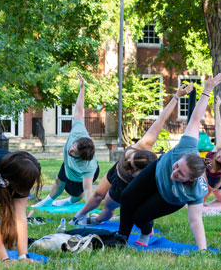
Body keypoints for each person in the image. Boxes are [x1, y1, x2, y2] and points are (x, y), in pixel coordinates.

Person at [114, 74, 221, 249]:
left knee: (139, 217)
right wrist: (207, 90)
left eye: (180, 174)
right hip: (156, 171)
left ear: (190, 180)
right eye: (177, 166)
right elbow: (195, 119)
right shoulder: (186, 146)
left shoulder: (195, 191)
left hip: (169, 198)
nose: (175, 172)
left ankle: (146, 229)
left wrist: (203, 250)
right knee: (127, 197)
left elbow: (196, 222)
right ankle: (121, 239)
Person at [72, 83, 195, 226]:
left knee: (108, 208)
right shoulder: (143, 144)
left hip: (125, 186)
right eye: (129, 159)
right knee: (98, 194)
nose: (129, 161)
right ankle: (79, 215)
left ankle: (97, 220)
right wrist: (177, 96)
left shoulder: (151, 173)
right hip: (115, 172)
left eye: (133, 167)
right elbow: (161, 120)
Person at [34, 75, 98, 208]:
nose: (71, 149)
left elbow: (88, 191)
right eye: (73, 146)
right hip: (68, 165)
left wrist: (88, 212)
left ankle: (69, 201)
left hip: (78, 176)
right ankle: (46, 202)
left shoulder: (88, 167)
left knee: (76, 195)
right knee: (58, 180)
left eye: (74, 151)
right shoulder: (78, 132)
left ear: (80, 156)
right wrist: (82, 89)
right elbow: (79, 110)